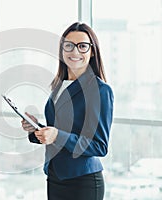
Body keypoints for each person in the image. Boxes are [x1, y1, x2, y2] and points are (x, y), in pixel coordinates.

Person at [21, 22, 114, 200]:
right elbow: (60, 130)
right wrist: (36, 129)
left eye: (83, 46)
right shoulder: (59, 86)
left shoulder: (100, 90)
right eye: (69, 45)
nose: (75, 52)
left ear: (92, 51)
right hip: (55, 176)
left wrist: (56, 136)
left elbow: (99, 146)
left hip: (82, 182)